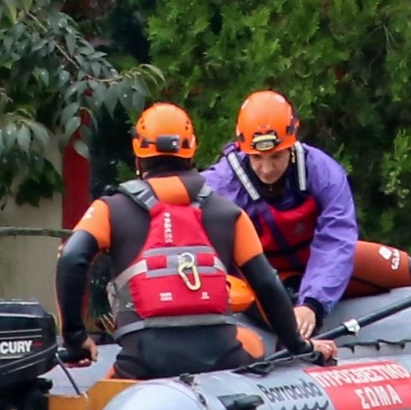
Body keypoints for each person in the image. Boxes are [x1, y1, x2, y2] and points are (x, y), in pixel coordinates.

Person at [55, 103, 338, 379]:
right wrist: (299, 346)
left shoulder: (110, 210)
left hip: (143, 361)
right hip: (221, 354)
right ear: (191, 151)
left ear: (138, 156)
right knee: (252, 343)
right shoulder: (229, 213)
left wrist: (76, 339)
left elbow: (71, 259)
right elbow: (267, 284)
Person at [204, 90, 359, 341]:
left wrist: (312, 304)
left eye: (276, 156)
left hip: (311, 262)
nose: (266, 169)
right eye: (257, 158)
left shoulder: (323, 172)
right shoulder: (220, 184)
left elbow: (337, 238)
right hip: (258, 277)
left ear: (292, 144)